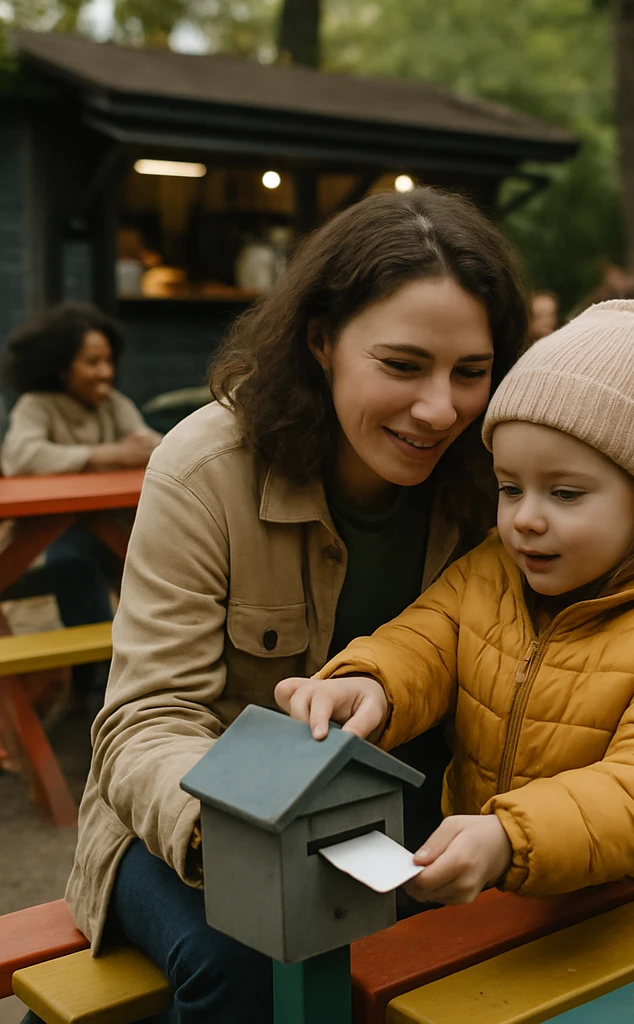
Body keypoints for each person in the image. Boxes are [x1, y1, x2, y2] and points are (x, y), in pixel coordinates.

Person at [51, 189, 527, 1024]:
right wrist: (237, 830)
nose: (440, 408)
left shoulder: (498, 476)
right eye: (403, 365)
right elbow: (145, 720)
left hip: (401, 815)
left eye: (472, 373)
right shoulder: (203, 470)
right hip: (185, 822)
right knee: (258, 954)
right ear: (320, 341)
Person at [279, 299, 634, 904]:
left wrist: (512, 835)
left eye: (564, 492)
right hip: (505, 888)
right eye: (510, 488)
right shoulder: (492, 570)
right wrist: (370, 684)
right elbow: (422, 642)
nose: (526, 519)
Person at [0, 303, 161, 705]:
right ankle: (99, 682)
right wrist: (105, 455)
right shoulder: (36, 406)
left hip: (117, 529)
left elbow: (156, 446)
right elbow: (20, 458)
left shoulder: (115, 404)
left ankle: (145, 672)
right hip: (44, 539)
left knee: (162, 560)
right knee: (72, 561)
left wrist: (133, 450)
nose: (105, 372)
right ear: (60, 366)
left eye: (108, 360)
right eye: (92, 362)